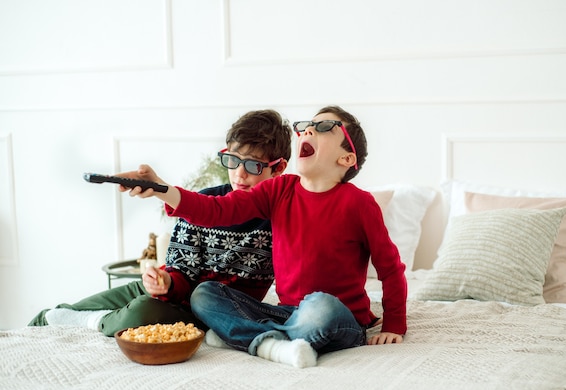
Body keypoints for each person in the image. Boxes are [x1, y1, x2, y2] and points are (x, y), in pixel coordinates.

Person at [121, 105, 407, 368]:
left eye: (324, 128)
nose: (308, 130)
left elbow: (390, 268)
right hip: (288, 314)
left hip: (338, 317)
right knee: (205, 294)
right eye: (307, 125)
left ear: (346, 158)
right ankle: (270, 343)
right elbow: (216, 210)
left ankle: (246, 337)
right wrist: (162, 189)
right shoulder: (279, 190)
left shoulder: (360, 203)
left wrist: (394, 325)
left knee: (321, 304)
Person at [28, 109, 292, 337]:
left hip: (204, 311)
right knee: (55, 314)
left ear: (278, 169)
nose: (239, 173)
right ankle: (45, 324)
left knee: (142, 311)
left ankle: (94, 322)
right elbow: (181, 268)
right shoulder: (203, 202)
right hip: (171, 288)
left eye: (253, 166)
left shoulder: (281, 215)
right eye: (232, 160)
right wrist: (165, 281)